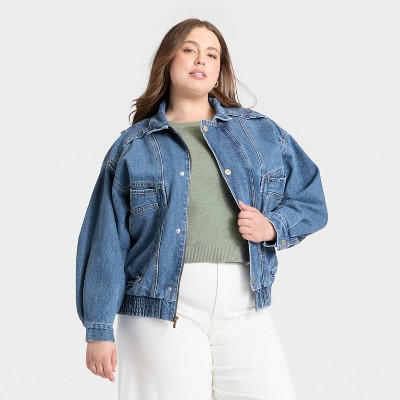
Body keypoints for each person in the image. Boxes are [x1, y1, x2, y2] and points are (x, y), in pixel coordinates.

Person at [76, 18, 328, 400]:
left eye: (212, 54)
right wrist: (98, 329)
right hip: (159, 312)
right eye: (190, 50)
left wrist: (274, 226)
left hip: (246, 309)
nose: (201, 60)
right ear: (168, 60)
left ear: (220, 68)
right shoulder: (134, 146)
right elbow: (105, 239)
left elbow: (311, 197)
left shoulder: (259, 132)